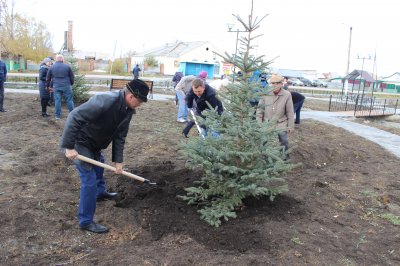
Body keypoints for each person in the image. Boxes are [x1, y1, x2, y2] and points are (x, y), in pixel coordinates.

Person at [59, 79, 150, 234]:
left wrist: (118, 161)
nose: (139, 105)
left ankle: (100, 194)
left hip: (95, 144)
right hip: (81, 143)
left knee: (100, 164)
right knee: (89, 181)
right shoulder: (105, 100)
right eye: (139, 101)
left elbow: (120, 136)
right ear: (131, 97)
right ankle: (86, 221)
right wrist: (69, 147)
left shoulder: (128, 111)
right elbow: (74, 116)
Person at [256, 74, 294, 158]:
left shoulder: (287, 94)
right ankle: (262, 158)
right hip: (267, 122)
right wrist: (259, 123)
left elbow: (290, 111)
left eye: (277, 83)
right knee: (264, 141)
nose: (274, 85)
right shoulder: (265, 93)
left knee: (284, 140)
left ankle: (285, 158)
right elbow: (259, 110)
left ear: (281, 84)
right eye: (273, 83)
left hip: (281, 122)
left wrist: (291, 125)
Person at [46, 54, 75, 119]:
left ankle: (57, 116)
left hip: (56, 86)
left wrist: (47, 86)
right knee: (69, 100)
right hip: (67, 86)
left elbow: (48, 78)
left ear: (56, 59)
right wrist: (71, 83)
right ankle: (72, 115)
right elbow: (72, 76)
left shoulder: (52, 67)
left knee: (57, 101)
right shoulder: (67, 66)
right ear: (62, 59)